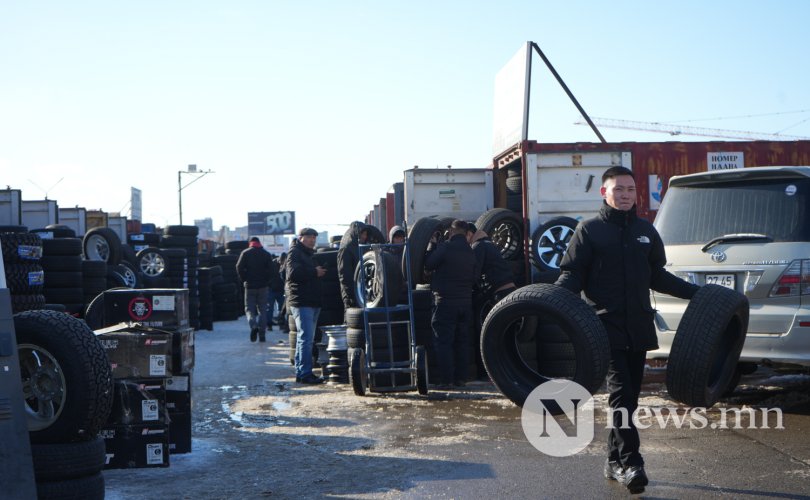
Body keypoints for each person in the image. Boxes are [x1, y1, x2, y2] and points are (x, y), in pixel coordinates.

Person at [554, 166, 699, 494]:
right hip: (604, 328)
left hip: (639, 328)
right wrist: (546, 302)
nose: (625, 195)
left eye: (630, 189)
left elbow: (658, 276)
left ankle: (613, 459)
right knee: (621, 394)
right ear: (604, 193)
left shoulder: (645, 231)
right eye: (618, 189)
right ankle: (632, 462)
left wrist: (698, 294)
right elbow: (572, 275)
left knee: (629, 399)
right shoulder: (589, 231)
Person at [424, 219, 479, 389]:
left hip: (446, 302)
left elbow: (429, 264)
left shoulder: (446, 248)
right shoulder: (471, 251)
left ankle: (446, 380)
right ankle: (461, 379)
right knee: (462, 342)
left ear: (453, 231)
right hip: (465, 303)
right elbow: (475, 278)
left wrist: (433, 245)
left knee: (444, 342)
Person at [466, 222, 516, 378]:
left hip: (498, 295)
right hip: (510, 292)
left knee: (487, 335)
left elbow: (474, 274)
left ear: (469, 234)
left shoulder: (478, 247)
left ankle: (487, 374)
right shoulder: (490, 244)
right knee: (507, 336)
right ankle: (511, 372)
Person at [285, 228, 327, 384]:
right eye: (309, 237)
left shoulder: (308, 254)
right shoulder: (295, 252)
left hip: (312, 301)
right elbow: (293, 274)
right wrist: (314, 272)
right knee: (306, 339)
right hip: (302, 302)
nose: (312, 240)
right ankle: (305, 374)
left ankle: (301, 372)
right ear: (300, 238)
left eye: (314, 237)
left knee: (304, 339)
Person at [236, 237, 274, 343]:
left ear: (250, 243)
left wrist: (244, 279)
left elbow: (238, 267)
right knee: (263, 310)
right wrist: (267, 281)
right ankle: (262, 336)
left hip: (250, 287)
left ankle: (253, 326)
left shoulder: (245, 253)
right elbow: (272, 270)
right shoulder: (266, 254)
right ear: (259, 243)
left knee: (249, 309)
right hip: (263, 287)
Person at [337, 221, 369, 310]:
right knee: (352, 320)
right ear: (355, 234)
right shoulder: (346, 249)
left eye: (365, 234)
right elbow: (344, 275)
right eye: (362, 234)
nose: (364, 237)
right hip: (352, 295)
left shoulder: (363, 248)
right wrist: (352, 295)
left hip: (363, 293)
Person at [267, 253, 285, 327]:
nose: (282, 264)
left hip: (280, 289)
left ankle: (281, 323)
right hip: (272, 289)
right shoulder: (272, 264)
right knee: (270, 308)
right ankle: (269, 324)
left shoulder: (286, 264)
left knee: (281, 309)